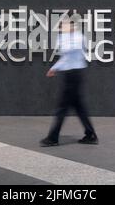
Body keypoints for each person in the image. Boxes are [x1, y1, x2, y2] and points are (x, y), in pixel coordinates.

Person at [40, 19, 98, 147]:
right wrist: (54, 68)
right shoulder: (68, 37)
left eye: (67, 25)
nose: (64, 27)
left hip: (73, 75)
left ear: (72, 25)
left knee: (62, 108)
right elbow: (66, 56)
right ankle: (90, 135)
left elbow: (69, 54)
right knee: (79, 107)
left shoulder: (75, 37)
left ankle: (53, 138)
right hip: (72, 74)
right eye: (63, 25)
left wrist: (54, 68)